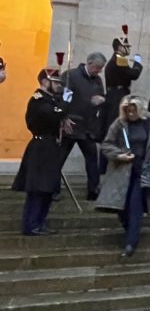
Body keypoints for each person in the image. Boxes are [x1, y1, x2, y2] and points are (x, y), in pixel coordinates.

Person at [97, 96, 150, 258]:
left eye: (133, 110)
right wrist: (119, 155)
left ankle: (131, 242)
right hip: (122, 170)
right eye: (127, 110)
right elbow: (106, 145)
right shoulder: (119, 124)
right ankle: (130, 229)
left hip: (143, 169)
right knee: (122, 208)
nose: (130, 113)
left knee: (135, 205)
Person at [12, 67, 70, 236]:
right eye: (56, 83)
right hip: (41, 146)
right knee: (38, 189)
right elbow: (53, 115)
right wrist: (65, 103)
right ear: (45, 82)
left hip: (50, 146)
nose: (59, 86)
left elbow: (59, 114)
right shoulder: (38, 99)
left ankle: (40, 222)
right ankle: (31, 224)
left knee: (48, 189)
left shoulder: (51, 100)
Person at [60, 52, 107, 199]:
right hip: (72, 124)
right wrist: (63, 117)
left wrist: (101, 99)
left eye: (101, 68)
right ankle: (53, 189)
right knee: (59, 158)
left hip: (88, 127)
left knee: (92, 159)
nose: (99, 71)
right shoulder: (70, 75)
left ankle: (93, 190)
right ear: (89, 62)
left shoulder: (98, 80)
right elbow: (63, 98)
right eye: (97, 67)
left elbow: (101, 97)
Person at [103, 26, 144, 135]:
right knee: (117, 124)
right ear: (119, 47)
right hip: (118, 96)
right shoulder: (120, 59)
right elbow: (134, 75)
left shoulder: (116, 59)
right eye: (126, 46)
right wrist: (138, 63)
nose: (128, 48)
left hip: (114, 95)